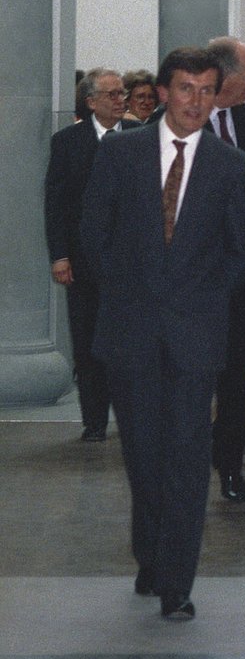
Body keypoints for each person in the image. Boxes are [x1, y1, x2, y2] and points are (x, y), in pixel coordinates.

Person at [80, 47, 245, 620]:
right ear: (163, 93)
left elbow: (244, 250)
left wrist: (202, 295)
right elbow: (93, 233)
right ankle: (151, 553)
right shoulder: (121, 152)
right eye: (186, 88)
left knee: (186, 456)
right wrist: (129, 289)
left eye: (206, 91)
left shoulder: (231, 165)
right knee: (143, 455)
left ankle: (177, 580)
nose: (195, 101)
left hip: (195, 333)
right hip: (130, 328)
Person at [45, 69, 137, 441]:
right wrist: (59, 255)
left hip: (132, 261)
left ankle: (132, 417)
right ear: (91, 101)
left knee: (130, 341)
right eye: (112, 94)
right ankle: (94, 420)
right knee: (87, 341)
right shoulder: (68, 141)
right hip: (83, 261)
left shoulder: (140, 135)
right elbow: (56, 203)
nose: (120, 100)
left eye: (122, 93)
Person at [205, 36, 245, 503]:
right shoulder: (178, 124)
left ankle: (229, 464)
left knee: (238, 378)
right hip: (193, 283)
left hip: (244, 281)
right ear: (227, 77)